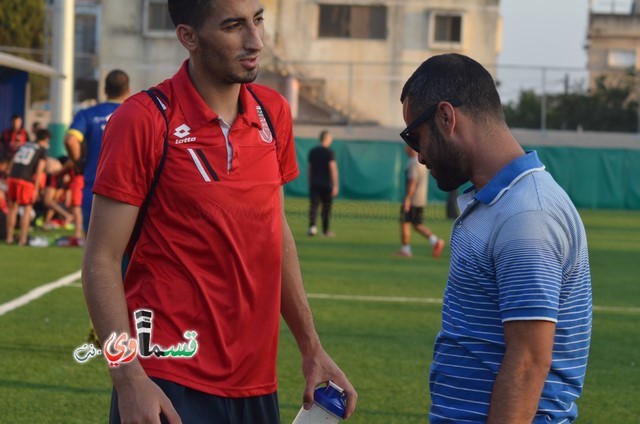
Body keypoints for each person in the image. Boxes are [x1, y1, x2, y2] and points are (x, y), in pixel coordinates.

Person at [82, 1, 357, 423]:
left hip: (256, 381)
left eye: (258, 20)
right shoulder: (142, 118)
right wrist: (128, 378)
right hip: (168, 379)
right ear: (188, 37)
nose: (255, 40)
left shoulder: (273, 112)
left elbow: (274, 231)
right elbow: (100, 259)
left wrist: (311, 347)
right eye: (233, 26)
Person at [399, 53, 592, 423]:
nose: (419, 155)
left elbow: (527, 364)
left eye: (415, 136)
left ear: (446, 117)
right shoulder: (500, 203)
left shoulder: (526, 216)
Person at [64, 69, 130, 239]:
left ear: (105, 90)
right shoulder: (138, 113)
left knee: (95, 250)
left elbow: (71, 140)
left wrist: (78, 162)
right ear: (128, 90)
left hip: (95, 187)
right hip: (129, 189)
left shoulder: (88, 113)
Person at [395, 145, 444, 258]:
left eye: (407, 147)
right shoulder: (420, 163)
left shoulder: (413, 163)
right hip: (420, 199)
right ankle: (435, 241)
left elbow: (413, 182)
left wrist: (407, 199)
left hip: (413, 199)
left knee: (404, 223)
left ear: (412, 149)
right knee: (417, 225)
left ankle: (405, 250)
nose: (405, 149)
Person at [5, 129, 49, 245]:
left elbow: (12, 161)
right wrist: (36, 188)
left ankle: (9, 238)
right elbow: (40, 169)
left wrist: (9, 174)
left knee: (12, 209)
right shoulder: (41, 149)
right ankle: (22, 240)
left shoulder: (24, 145)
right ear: (45, 140)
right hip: (26, 180)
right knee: (27, 209)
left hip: (13, 177)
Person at [307, 130, 339, 237]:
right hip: (326, 184)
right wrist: (335, 185)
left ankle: (312, 228)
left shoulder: (313, 151)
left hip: (314, 183)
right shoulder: (329, 153)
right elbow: (333, 169)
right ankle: (325, 231)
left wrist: (310, 182)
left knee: (314, 206)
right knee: (326, 207)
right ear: (327, 139)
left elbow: (310, 169)